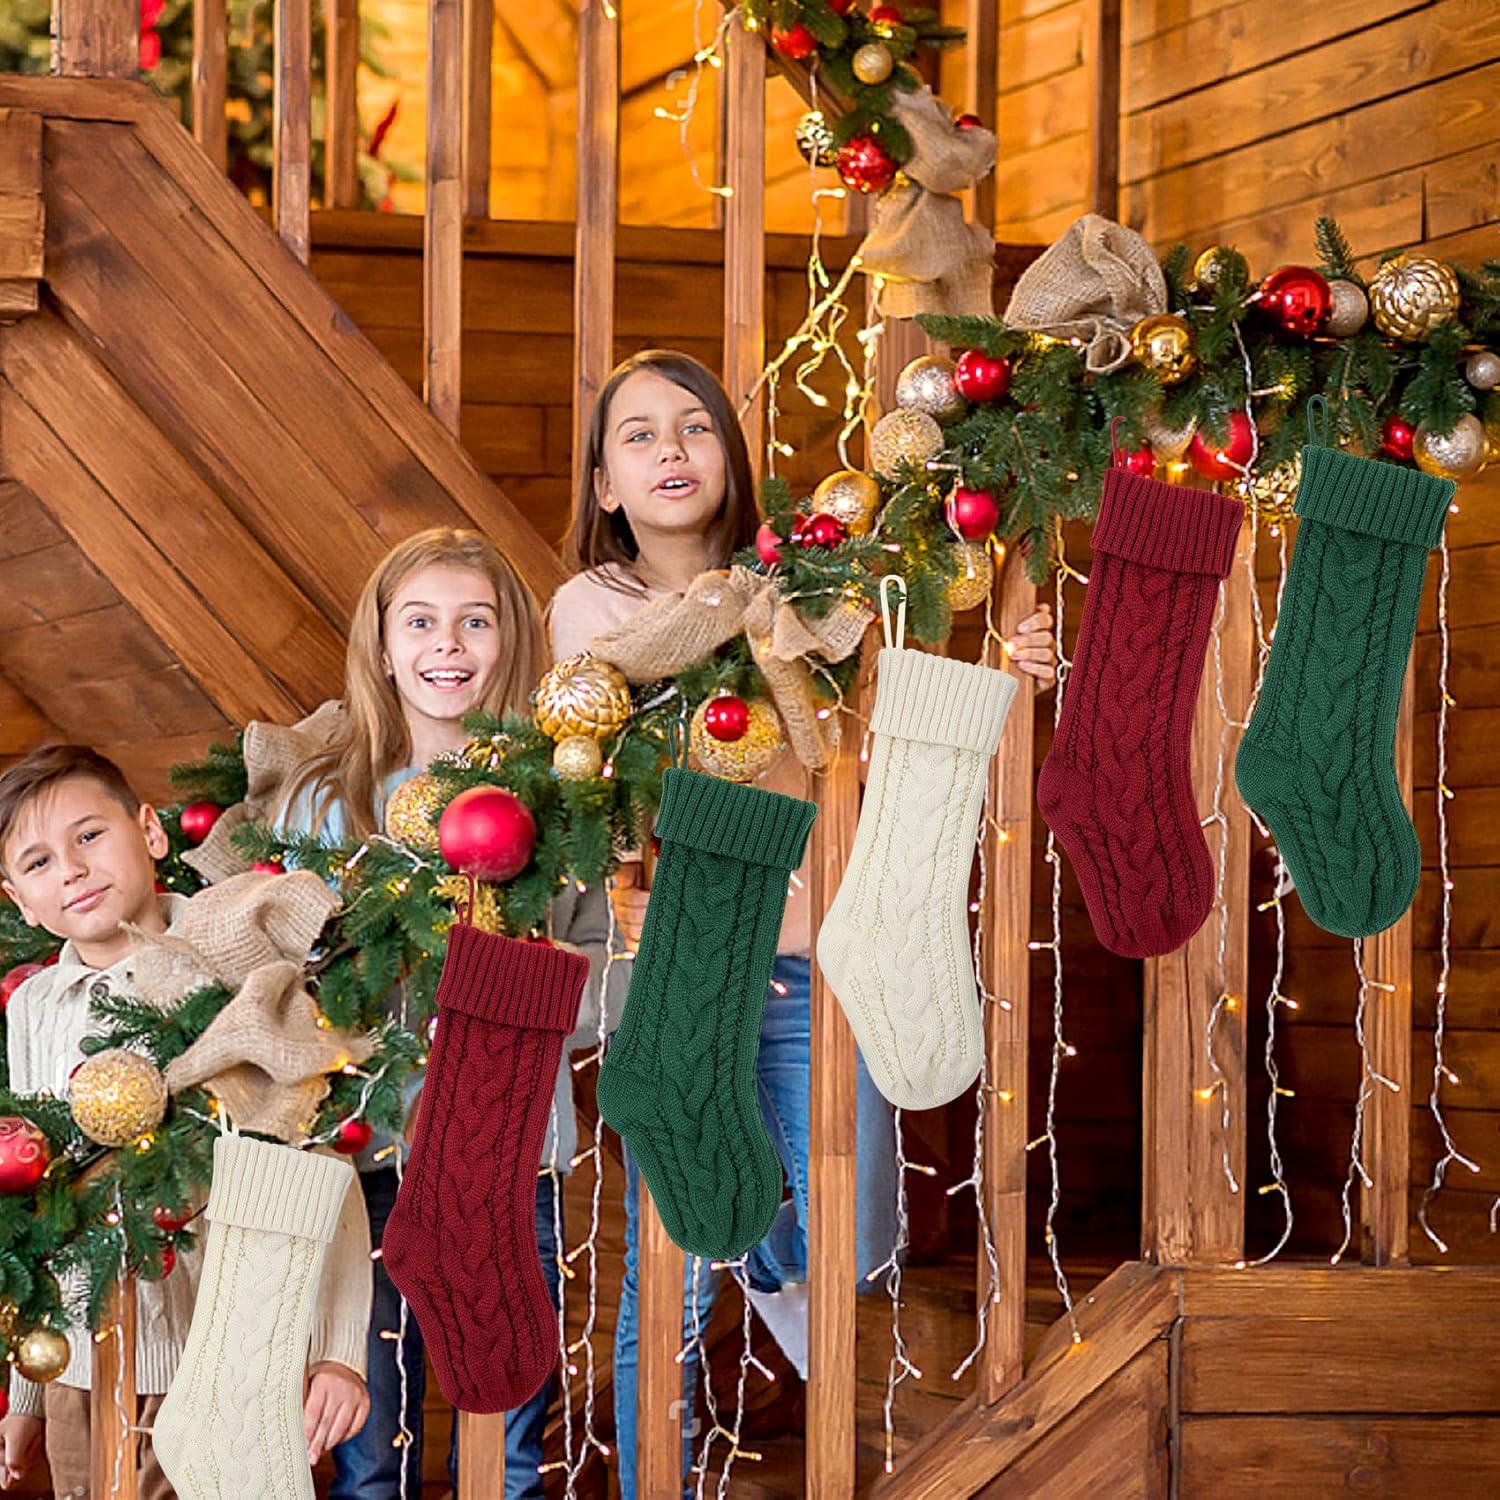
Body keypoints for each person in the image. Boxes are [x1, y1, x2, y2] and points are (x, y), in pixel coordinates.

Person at [551, 349, 1056, 1497]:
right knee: (664, 1285)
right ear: (605, 487)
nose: (671, 451)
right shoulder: (598, 609)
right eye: (640, 437)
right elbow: (661, 673)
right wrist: (788, 600)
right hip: (693, 974)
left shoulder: (812, 594)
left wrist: (1001, 666)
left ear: (731, 458)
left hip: (824, 963)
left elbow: (884, 725)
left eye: (695, 428)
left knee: (857, 1245)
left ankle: (760, 1246)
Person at [274, 527, 626, 1500]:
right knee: (368, 1456)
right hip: (365, 1167)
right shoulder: (325, 805)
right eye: (421, 623)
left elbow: (594, 983)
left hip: (515, 1161)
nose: (450, 645)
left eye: (477, 622)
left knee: (509, 1448)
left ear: (511, 640)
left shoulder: (558, 796)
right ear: (383, 649)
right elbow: (288, 984)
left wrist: (525, 982)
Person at [0, 744, 371, 1497]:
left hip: (226, 1354)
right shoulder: (33, 1007)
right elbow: (40, 1206)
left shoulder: (228, 972)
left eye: (89, 836)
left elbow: (315, 1164)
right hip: (79, 1360)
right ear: (17, 900)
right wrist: (30, 1390)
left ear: (150, 832)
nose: (70, 868)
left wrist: (337, 1351)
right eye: (38, 863)